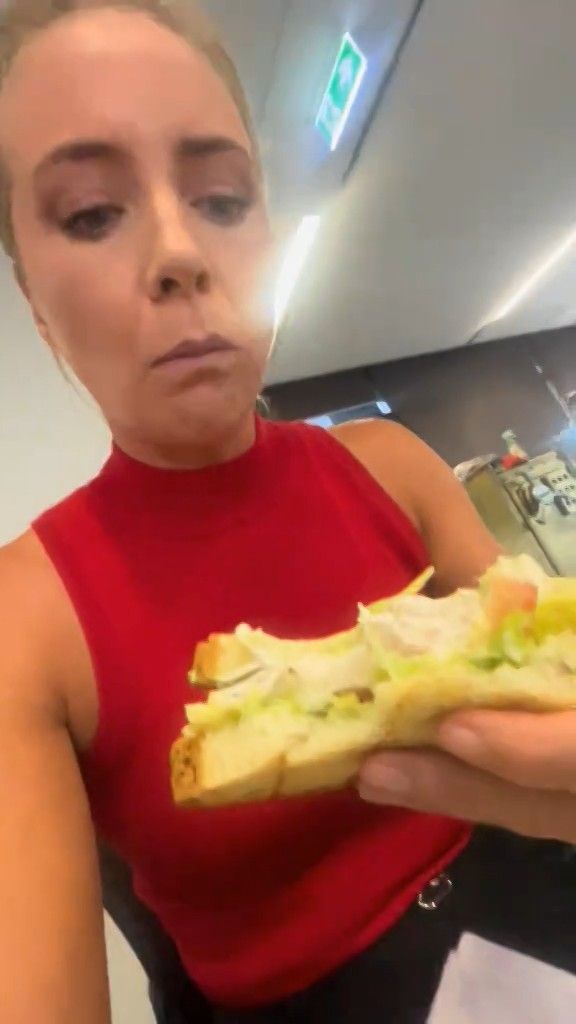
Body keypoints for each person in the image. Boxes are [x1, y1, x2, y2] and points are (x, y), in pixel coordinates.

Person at [0, 1, 575, 1021]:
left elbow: (544, 659)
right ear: (39, 312)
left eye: (223, 198)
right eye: (90, 213)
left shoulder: (390, 464)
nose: (180, 252)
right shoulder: (24, 623)